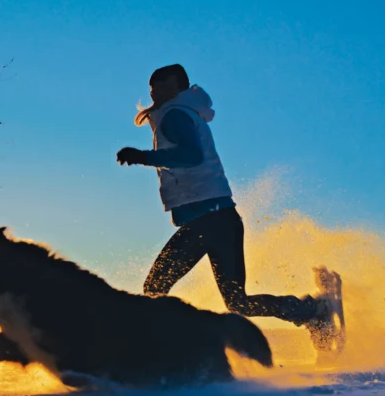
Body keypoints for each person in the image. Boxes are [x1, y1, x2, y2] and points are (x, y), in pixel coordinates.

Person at [116, 64, 335, 341]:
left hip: (208, 221)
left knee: (154, 288)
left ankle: (162, 354)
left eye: (161, 84)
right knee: (237, 302)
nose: (154, 89)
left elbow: (191, 156)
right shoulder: (182, 114)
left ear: (179, 87)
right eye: (152, 85)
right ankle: (311, 312)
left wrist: (144, 157)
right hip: (221, 219)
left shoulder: (175, 116)